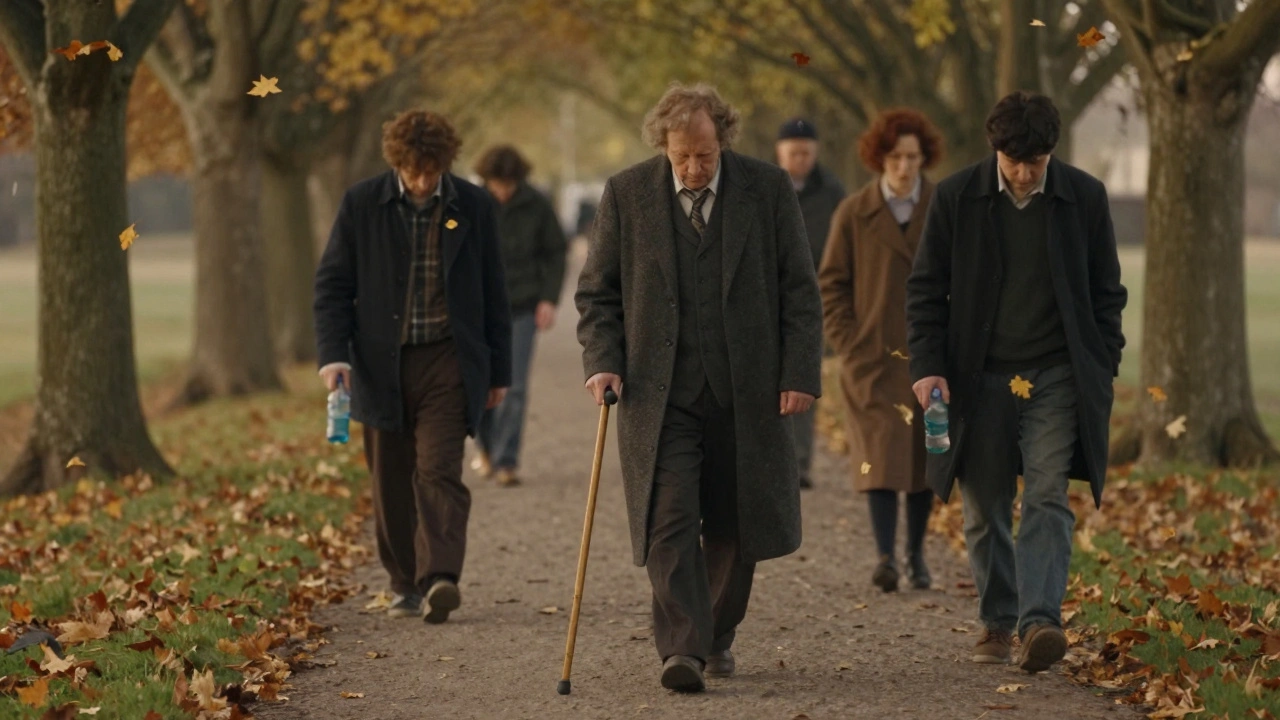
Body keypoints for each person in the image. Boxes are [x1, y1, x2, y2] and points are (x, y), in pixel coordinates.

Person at [575, 82, 823, 692]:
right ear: (663, 145)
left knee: (738, 525)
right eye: (681, 155)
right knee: (671, 518)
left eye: (704, 156)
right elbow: (597, 292)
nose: (692, 167)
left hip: (749, 390)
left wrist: (798, 372)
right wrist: (602, 361)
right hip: (661, 396)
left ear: (724, 142)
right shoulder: (627, 194)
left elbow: (799, 288)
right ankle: (683, 648)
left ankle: (716, 632)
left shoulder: (766, 190)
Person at [905, 91, 1127, 673]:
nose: (1025, 173)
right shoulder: (956, 198)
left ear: (1052, 153)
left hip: (1057, 374)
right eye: (1014, 160)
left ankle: (1039, 622)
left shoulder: (1083, 197)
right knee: (984, 508)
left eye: (1037, 161)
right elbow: (926, 290)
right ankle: (998, 619)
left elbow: (1108, 291)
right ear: (994, 148)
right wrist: (927, 366)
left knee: (1049, 493)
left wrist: (1104, 362)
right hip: (978, 380)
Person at [313, 109, 513, 624]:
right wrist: (334, 356)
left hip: (449, 359)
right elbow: (333, 285)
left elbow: (495, 290)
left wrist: (498, 372)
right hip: (380, 365)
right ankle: (404, 581)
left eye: (432, 171)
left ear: (446, 163)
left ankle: (440, 577)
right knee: (389, 478)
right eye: (414, 171)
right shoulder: (363, 204)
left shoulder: (472, 205)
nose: (424, 182)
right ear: (398, 163)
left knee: (439, 469)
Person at [818, 108, 944, 594]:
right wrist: (850, 343)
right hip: (871, 358)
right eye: (895, 157)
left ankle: (917, 555)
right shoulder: (853, 212)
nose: (904, 167)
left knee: (922, 460)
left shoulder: (942, 205)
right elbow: (831, 283)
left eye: (912, 157)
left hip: (928, 357)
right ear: (879, 158)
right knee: (877, 456)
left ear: (924, 157)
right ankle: (885, 555)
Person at [470, 145, 568, 487]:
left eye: (509, 184)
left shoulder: (537, 205)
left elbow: (556, 252)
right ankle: (486, 448)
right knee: (479, 384)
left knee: (514, 385)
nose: (503, 191)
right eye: (498, 184)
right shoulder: (470, 203)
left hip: (523, 306)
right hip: (477, 309)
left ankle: (506, 460)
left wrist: (548, 298)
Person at [775, 117, 846, 490]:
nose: (800, 159)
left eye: (806, 152)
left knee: (801, 378)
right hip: (768, 297)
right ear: (780, 153)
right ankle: (767, 459)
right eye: (793, 152)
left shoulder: (833, 192)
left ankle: (799, 463)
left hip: (812, 299)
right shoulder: (764, 187)